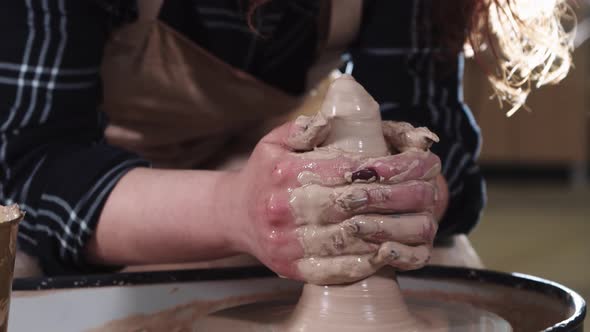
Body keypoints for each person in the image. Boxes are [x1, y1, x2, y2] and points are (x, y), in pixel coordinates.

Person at [0, 0, 573, 278]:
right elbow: (30, 170)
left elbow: (426, 130)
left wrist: (411, 192)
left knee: (441, 264)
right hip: (85, 187)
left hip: (246, 166)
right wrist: (238, 210)